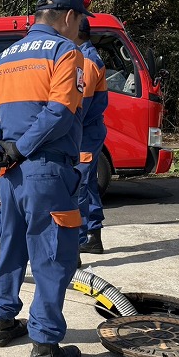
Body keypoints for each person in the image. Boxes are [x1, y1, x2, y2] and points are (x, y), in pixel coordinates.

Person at [0, 0, 89, 357]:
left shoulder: (2, 59)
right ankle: (45, 346)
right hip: (46, 169)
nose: (81, 27)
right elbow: (58, 112)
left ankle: (4, 322)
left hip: (8, 174)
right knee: (52, 254)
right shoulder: (65, 52)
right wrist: (22, 148)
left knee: (11, 247)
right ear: (69, 16)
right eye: (81, 20)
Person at [74, 16, 109, 256]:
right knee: (89, 185)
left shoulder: (85, 61)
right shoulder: (88, 56)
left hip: (83, 133)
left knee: (78, 185)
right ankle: (93, 236)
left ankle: (77, 239)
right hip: (90, 132)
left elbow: (80, 105)